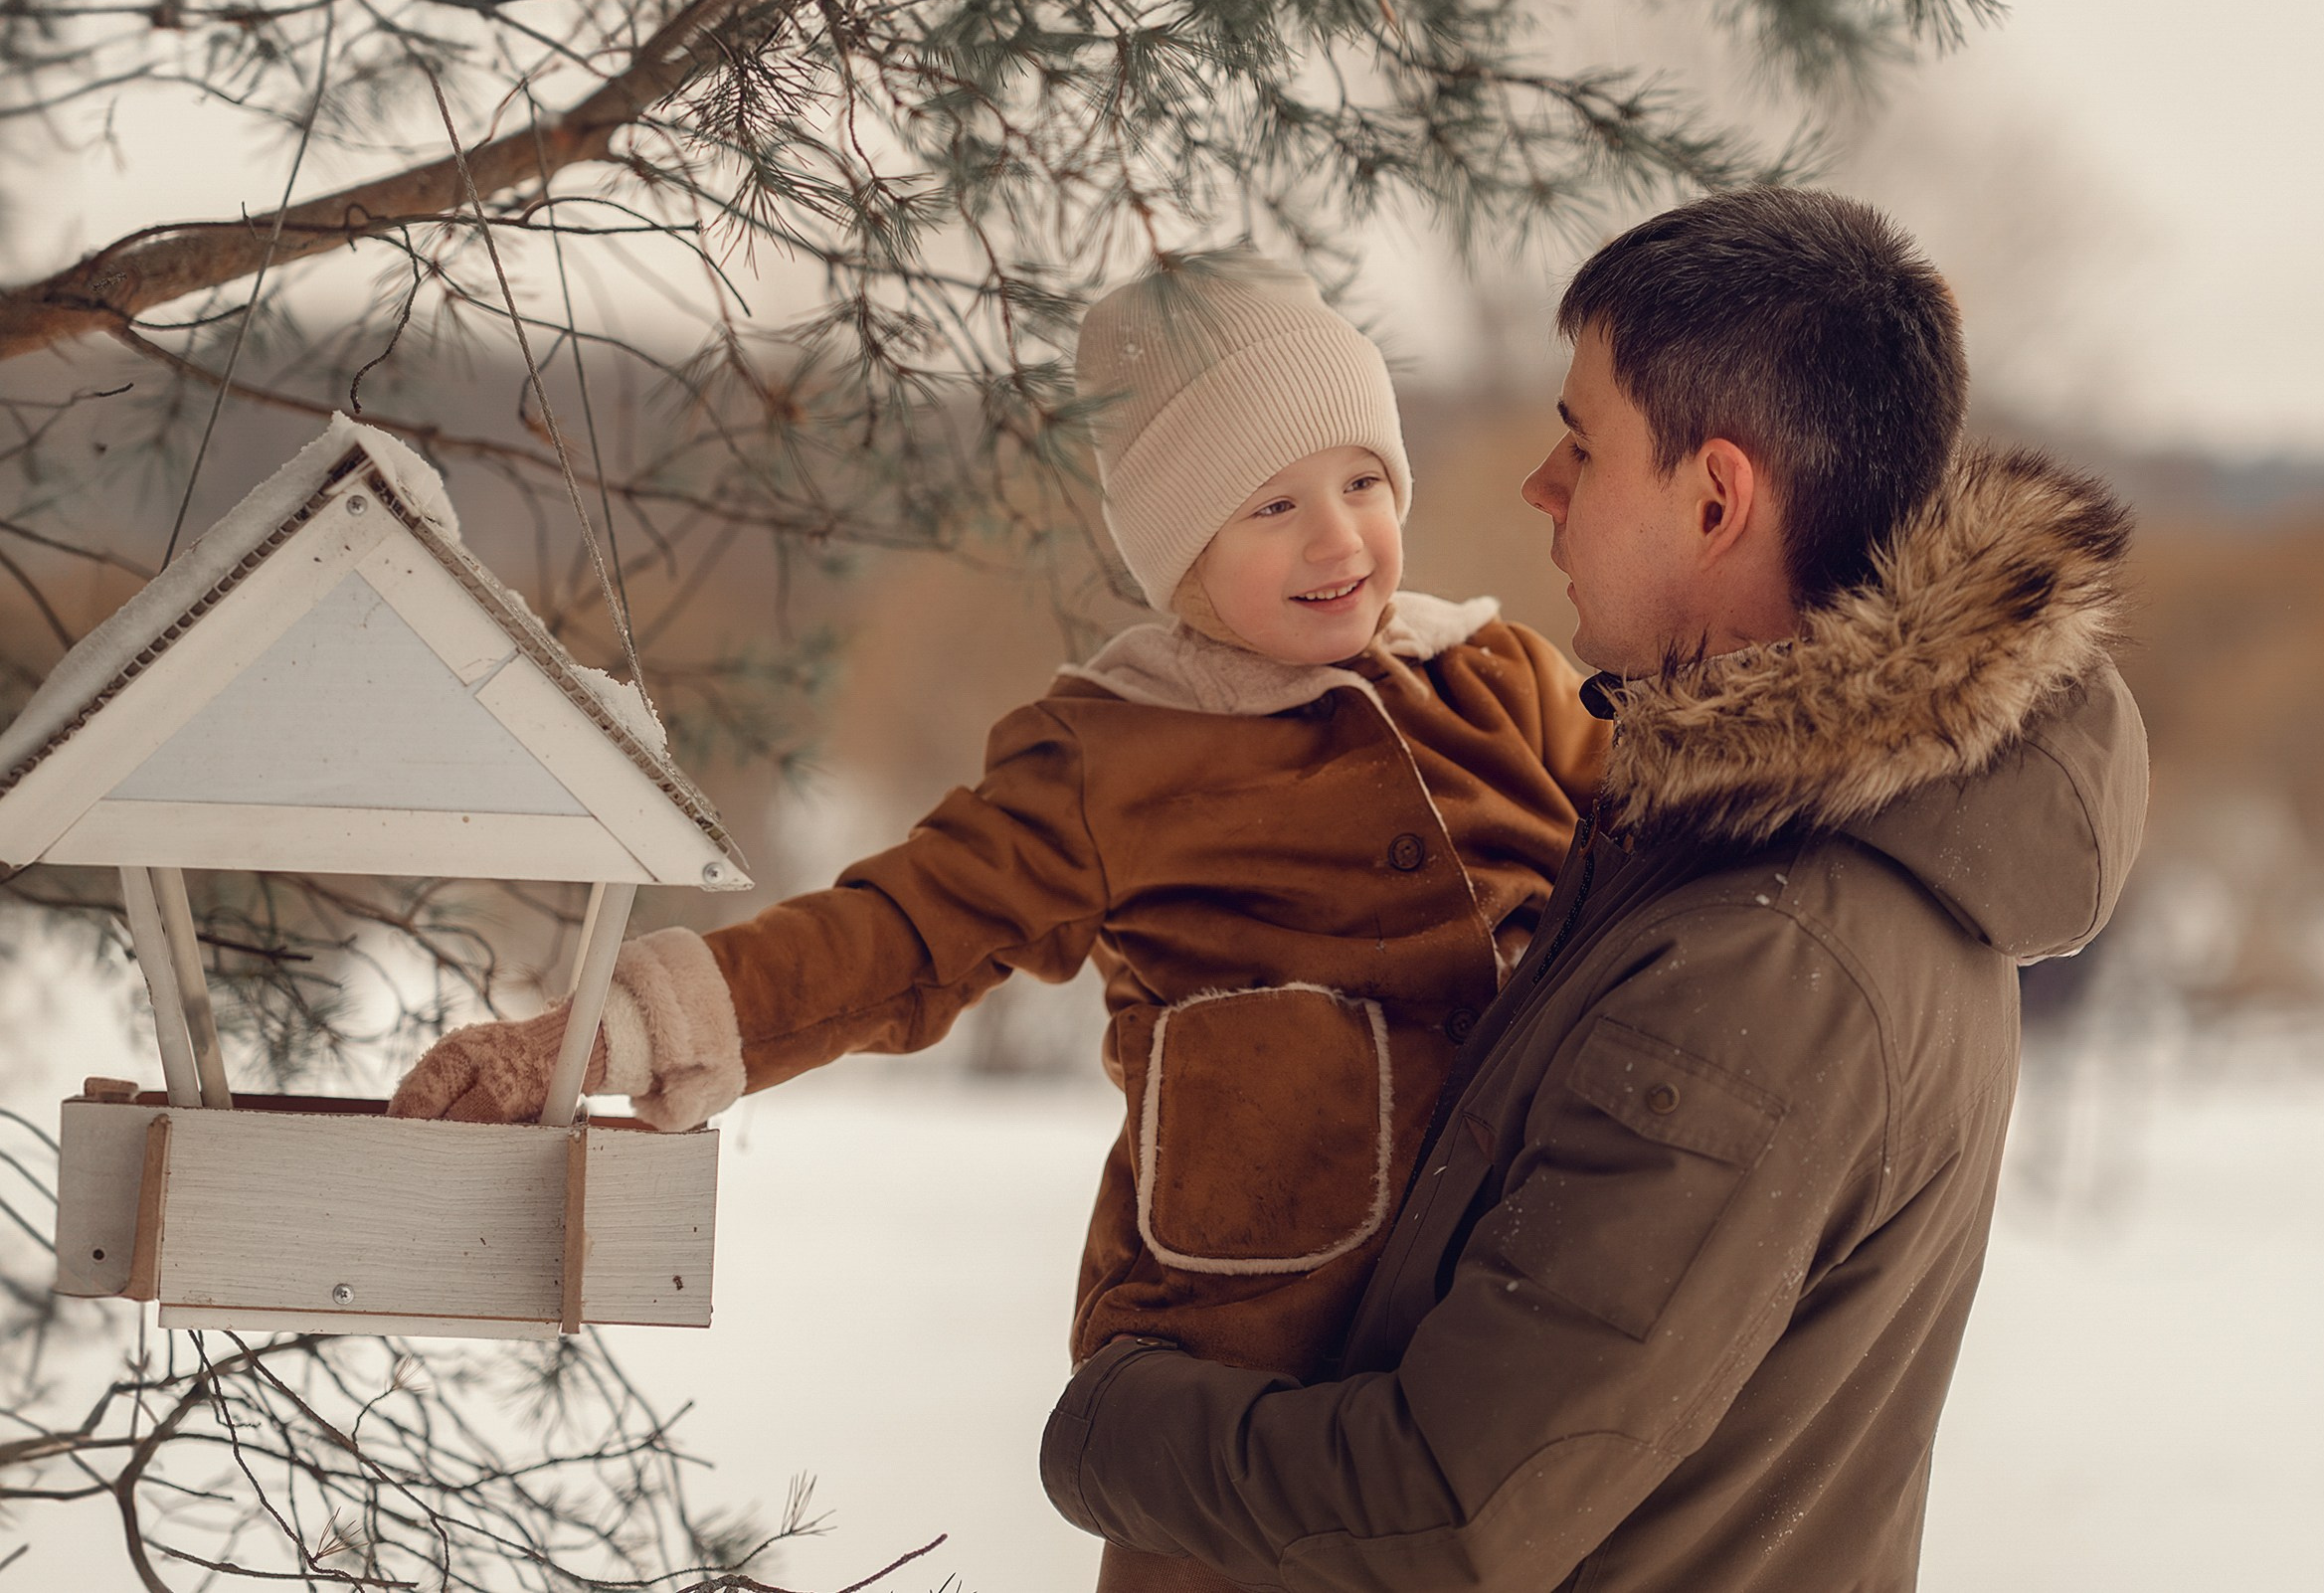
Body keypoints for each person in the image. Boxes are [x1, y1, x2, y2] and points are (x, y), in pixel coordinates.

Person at [387, 255, 1613, 1592]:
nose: (1340, 541)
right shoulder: (1112, 751)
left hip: (1506, 1354)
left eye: (1363, 482)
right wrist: (615, 1030)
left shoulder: (1504, 684)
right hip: (1245, 1394)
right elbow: (899, 932)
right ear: (1181, 546)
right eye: (1273, 504)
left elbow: (1691, 834)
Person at [1038, 188, 2151, 1591]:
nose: (1542, 487)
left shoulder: (1768, 961)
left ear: (1716, 498)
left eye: (1583, 443)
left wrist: (1113, 1426)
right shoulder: (1768, 843)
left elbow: (1449, 1509)